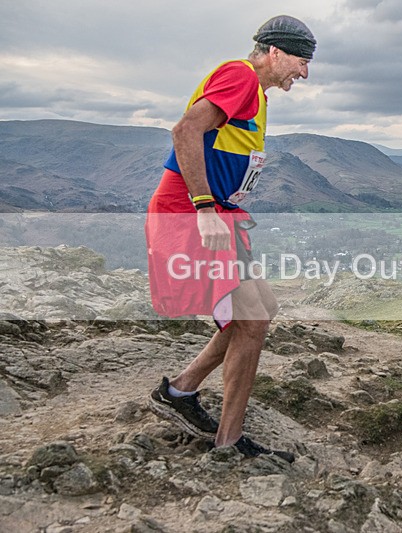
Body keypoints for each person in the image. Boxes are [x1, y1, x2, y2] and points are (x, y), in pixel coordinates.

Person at [144, 15, 316, 461]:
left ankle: (180, 391)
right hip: (192, 212)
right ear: (274, 52)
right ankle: (228, 441)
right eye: (301, 61)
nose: (304, 72)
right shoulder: (241, 76)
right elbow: (185, 130)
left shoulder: (255, 93)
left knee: (262, 308)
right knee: (252, 320)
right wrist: (203, 208)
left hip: (219, 213)